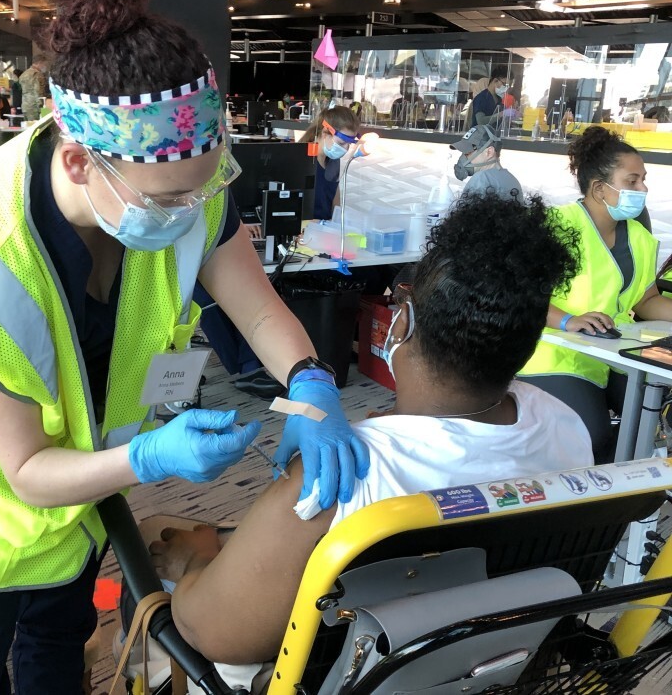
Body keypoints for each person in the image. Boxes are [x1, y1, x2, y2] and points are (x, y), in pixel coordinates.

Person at [0, 0, 369, 694]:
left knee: (59, 657)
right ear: (79, 163)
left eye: (202, 191)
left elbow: (257, 304)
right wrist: (151, 459)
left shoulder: (181, 176)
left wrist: (311, 383)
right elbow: (26, 472)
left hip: (83, 509)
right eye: (170, 200)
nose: (189, 215)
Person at [148, 193, 593, 668]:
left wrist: (193, 561)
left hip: (351, 669)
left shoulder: (337, 475)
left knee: (150, 532)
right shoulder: (565, 424)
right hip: (497, 664)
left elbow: (216, 633)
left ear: (403, 317)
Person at [519, 127, 672, 463]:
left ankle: (628, 495)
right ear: (600, 188)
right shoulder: (556, 226)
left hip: (614, 351)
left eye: (643, 180)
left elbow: (644, 301)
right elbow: (519, 291)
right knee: (591, 432)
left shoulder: (641, 239)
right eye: (632, 181)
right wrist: (569, 320)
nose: (643, 189)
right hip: (553, 351)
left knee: (648, 421)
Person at [300, 107, 360, 221]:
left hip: (323, 232)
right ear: (325, 133)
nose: (345, 149)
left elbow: (336, 206)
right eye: (342, 143)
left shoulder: (333, 162)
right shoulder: (301, 161)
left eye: (349, 144)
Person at [450, 124, 522, 201]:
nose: (463, 158)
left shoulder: (480, 179)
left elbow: (462, 212)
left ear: (489, 152)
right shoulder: (512, 180)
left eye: (468, 153)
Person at [18, 54, 50, 121]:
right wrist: (42, 107)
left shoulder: (24, 74)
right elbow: (38, 92)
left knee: (28, 127)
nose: (45, 66)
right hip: (35, 107)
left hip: (25, 106)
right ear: (39, 63)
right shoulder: (37, 74)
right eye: (44, 64)